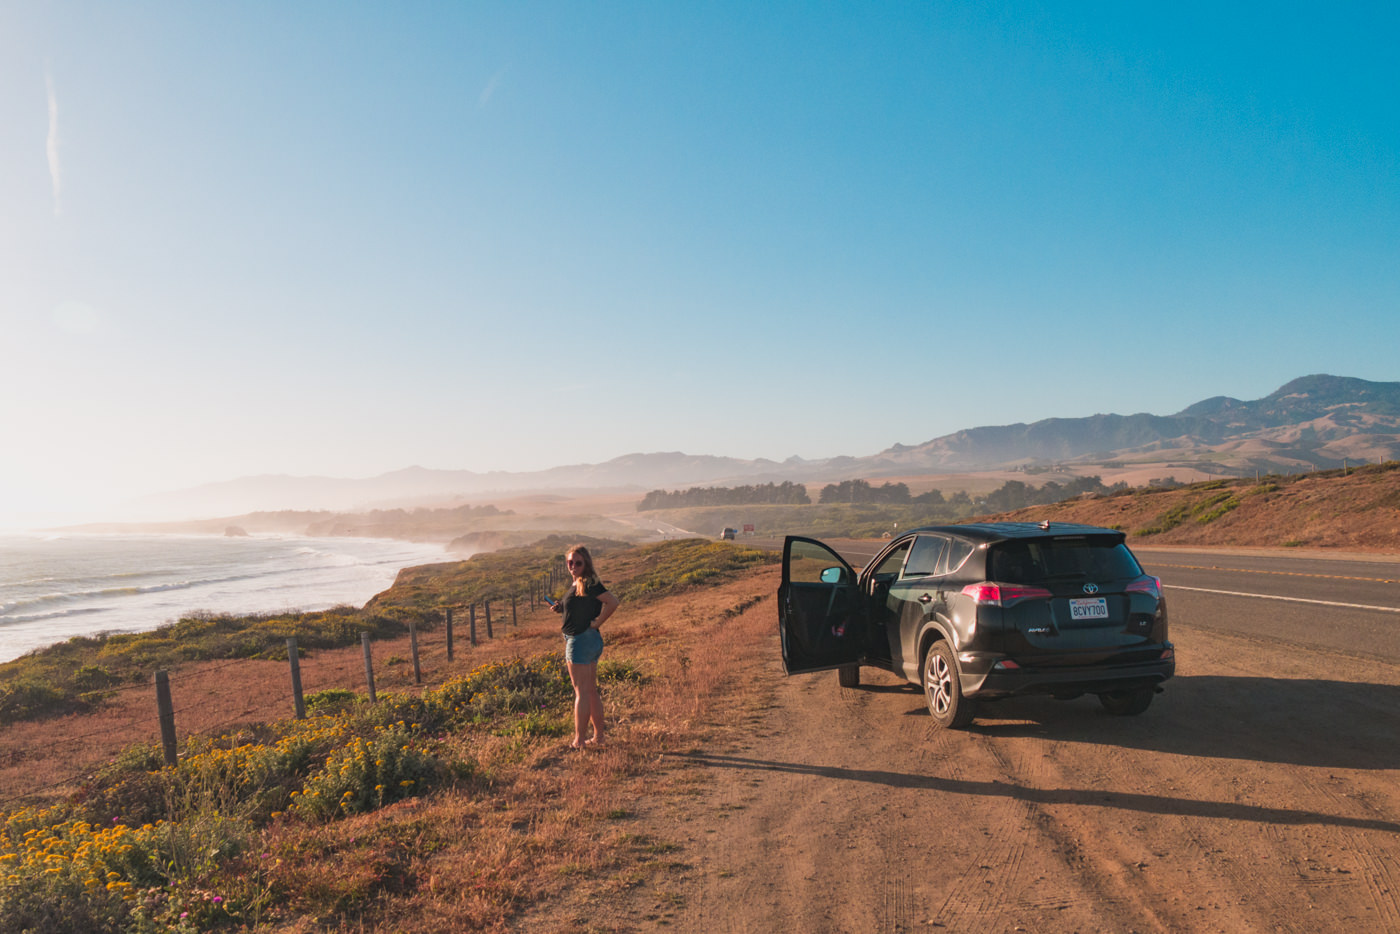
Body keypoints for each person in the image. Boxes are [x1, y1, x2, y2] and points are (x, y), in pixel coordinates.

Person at [551, 544, 619, 749]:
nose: (573, 566)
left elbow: (612, 602)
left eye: (578, 562)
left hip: (581, 640)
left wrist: (598, 622)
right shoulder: (579, 583)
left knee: (581, 692)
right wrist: (560, 608)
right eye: (570, 562)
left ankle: (579, 740)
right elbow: (579, 606)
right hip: (587, 640)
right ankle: (599, 737)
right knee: (590, 691)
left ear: (586, 563)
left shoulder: (589, 582)